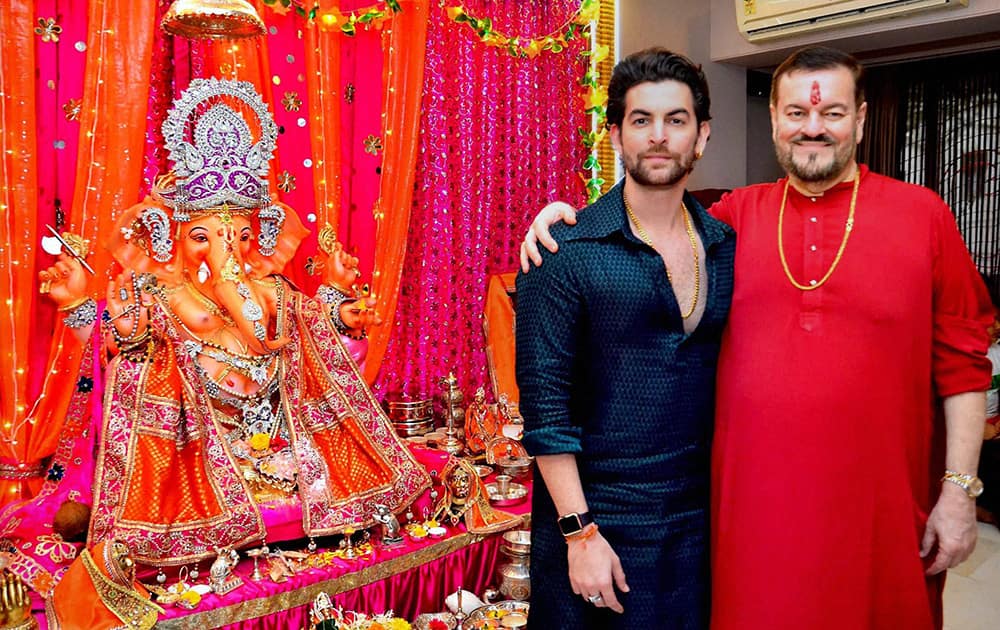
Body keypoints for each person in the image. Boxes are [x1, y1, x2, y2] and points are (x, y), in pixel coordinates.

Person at [520, 46, 993, 630]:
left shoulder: (924, 216)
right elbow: (651, 215)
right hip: (750, 522)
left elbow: (965, 364)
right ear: (773, 120)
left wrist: (959, 492)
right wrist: (565, 218)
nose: (813, 128)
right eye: (796, 112)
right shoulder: (736, 219)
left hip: (880, 515)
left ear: (862, 119)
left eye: (833, 113)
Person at [4, 77, 430, 570]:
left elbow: (310, 327)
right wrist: (81, 305)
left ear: (262, 236)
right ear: (171, 239)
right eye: (202, 236)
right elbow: (116, 350)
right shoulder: (159, 293)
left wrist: (341, 306)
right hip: (194, 453)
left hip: (277, 442)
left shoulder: (271, 290)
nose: (226, 250)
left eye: (242, 236)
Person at [516, 48, 736, 629]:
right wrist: (578, 533)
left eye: (676, 119)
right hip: (597, 522)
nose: (658, 137)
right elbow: (544, 410)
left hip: (697, 521)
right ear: (616, 135)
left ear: (702, 134)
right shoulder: (564, 252)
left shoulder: (728, 246)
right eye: (641, 121)